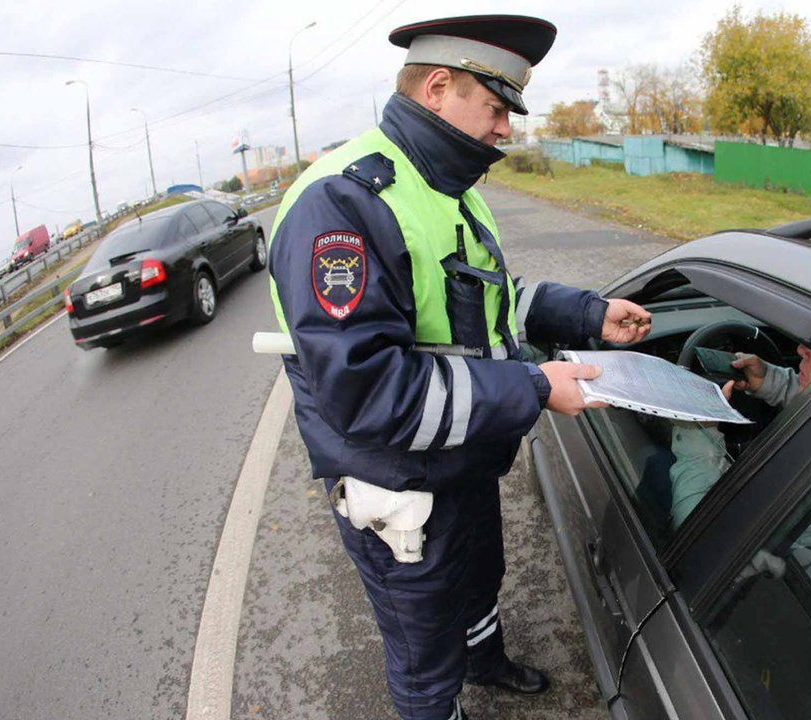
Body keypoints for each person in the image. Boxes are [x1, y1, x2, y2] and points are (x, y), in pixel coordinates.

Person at [265, 15, 652, 720]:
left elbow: (484, 304)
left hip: (461, 456)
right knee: (424, 649)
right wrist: (534, 387)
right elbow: (367, 392)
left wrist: (587, 314)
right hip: (399, 485)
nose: (506, 129)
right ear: (438, 88)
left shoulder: (446, 186)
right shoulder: (343, 203)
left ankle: (486, 661)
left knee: (477, 580)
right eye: (497, 107)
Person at [669, 346, 811, 571]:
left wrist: (697, 430)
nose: (801, 349)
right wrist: (769, 380)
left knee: (653, 462)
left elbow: (697, 543)